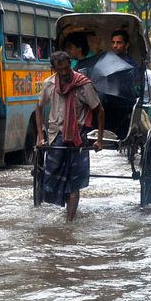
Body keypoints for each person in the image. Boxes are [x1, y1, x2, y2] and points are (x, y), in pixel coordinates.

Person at [35, 51, 106, 223]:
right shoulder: (49, 84)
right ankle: (66, 210)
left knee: (74, 183)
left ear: (70, 65)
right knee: (51, 180)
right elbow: (38, 108)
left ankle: (69, 222)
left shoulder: (83, 84)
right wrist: (41, 136)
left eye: (67, 68)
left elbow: (99, 111)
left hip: (77, 138)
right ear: (54, 69)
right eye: (60, 70)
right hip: (55, 136)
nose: (65, 73)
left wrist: (99, 139)